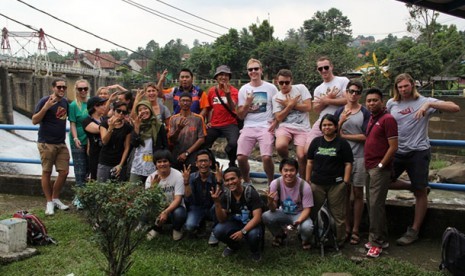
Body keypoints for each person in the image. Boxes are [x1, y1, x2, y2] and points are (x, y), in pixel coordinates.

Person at [387, 73, 460, 246]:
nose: (403, 90)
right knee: (384, 181)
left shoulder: (425, 101)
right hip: (398, 151)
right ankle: (415, 186)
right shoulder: (392, 103)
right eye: (400, 87)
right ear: (396, 88)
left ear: (412, 85)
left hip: (418, 151)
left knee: (420, 193)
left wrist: (429, 104)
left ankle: (414, 231)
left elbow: (455, 107)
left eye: (406, 86)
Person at [306, 114, 353, 246]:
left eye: (330, 125)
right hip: (317, 184)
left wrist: (345, 181)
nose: (327, 127)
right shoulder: (316, 142)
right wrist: (308, 180)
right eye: (324, 125)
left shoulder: (342, 143)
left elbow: (348, 163)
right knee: (314, 212)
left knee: (338, 214)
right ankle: (316, 237)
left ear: (336, 127)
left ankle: (339, 240)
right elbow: (310, 162)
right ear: (321, 127)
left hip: (336, 184)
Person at [333, 79, 370, 245]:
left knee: (358, 193)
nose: (354, 94)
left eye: (357, 92)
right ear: (346, 92)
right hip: (343, 159)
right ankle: (346, 227)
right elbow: (332, 132)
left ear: (360, 94)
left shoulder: (365, 112)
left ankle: (356, 228)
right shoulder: (339, 111)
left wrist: (345, 136)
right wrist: (340, 121)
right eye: (351, 91)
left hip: (360, 157)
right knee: (345, 193)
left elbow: (366, 136)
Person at [363, 87, 398, 258]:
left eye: (375, 100)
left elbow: (393, 146)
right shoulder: (372, 118)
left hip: (378, 169)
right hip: (369, 167)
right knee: (372, 204)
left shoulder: (388, 119)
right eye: (369, 101)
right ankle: (380, 238)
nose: (371, 103)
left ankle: (376, 243)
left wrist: (381, 165)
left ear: (382, 101)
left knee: (376, 205)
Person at [32, 78, 70, 215]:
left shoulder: (65, 102)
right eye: (59, 87)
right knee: (47, 172)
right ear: (53, 87)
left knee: (64, 172)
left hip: (61, 143)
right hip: (46, 143)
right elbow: (34, 120)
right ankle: (49, 202)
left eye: (64, 87)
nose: (61, 89)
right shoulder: (44, 101)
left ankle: (55, 198)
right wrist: (45, 108)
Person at [236, 58, 278, 184]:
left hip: (266, 126)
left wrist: (276, 123)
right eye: (250, 69)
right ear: (247, 72)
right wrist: (248, 103)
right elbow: (241, 116)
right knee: (241, 157)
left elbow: (277, 108)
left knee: (266, 157)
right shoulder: (243, 89)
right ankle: (247, 181)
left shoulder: (271, 88)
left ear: (261, 70)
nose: (253, 71)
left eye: (256, 69)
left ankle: (271, 182)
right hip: (249, 126)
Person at [211, 167, 263, 262]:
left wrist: (242, 232)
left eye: (233, 179)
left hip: (252, 224)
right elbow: (222, 219)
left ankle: (255, 251)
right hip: (235, 223)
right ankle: (233, 246)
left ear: (240, 178)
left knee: (253, 235)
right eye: (227, 180)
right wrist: (217, 203)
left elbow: (257, 217)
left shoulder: (251, 192)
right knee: (218, 230)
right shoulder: (226, 195)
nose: (230, 182)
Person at [262, 158, 314, 250]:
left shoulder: (304, 186)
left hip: (299, 213)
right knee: (266, 216)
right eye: (285, 170)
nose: (288, 174)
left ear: (297, 171)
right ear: (281, 171)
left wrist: (299, 220)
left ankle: (304, 239)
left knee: (307, 227)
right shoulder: (275, 183)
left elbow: (307, 209)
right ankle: (280, 235)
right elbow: (273, 209)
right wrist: (270, 202)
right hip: (283, 212)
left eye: (292, 170)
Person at [272, 69, 312, 179]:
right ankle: (290, 163)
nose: (284, 85)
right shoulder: (276, 97)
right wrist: (289, 106)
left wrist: (292, 105)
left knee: (302, 155)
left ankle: (303, 181)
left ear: (291, 81)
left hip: (302, 126)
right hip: (285, 126)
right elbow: (279, 117)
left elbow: (308, 107)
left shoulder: (301, 89)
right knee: (280, 146)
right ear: (277, 82)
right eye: (281, 83)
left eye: (287, 82)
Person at [145, 150, 187, 241]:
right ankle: (157, 228)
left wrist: (166, 212)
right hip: (158, 207)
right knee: (147, 209)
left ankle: (177, 229)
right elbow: (148, 200)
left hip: (174, 207)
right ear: (155, 164)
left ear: (170, 163)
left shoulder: (178, 175)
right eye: (159, 162)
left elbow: (178, 199)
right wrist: (153, 187)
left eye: (165, 161)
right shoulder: (151, 178)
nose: (162, 164)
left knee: (179, 213)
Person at [203, 65, 240, 168]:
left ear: (229, 77)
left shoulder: (234, 91)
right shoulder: (211, 91)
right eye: (221, 75)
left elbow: (233, 107)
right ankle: (213, 164)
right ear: (216, 77)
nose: (223, 77)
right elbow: (209, 108)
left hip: (230, 123)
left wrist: (227, 94)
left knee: (233, 144)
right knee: (203, 144)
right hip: (215, 124)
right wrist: (207, 122)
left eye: (226, 75)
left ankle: (232, 162)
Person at [183, 150, 221, 245]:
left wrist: (219, 182)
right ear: (196, 164)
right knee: (189, 226)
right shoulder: (191, 177)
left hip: (212, 207)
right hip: (197, 207)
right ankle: (200, 224)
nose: (203, 164)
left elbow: (222, 198)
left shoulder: (216, 176)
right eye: (200, 161)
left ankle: (215, 231)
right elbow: (188, 199)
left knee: (217, 206)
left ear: (210, 162)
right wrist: (186, 183)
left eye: (205, 161)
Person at [308, 56, 349, 146]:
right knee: (307, 149)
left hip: (340, 119)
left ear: (331, 67)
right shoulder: (318, 89)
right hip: (322, 120)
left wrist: (327, 100)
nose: (323, 70)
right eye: (320, 68)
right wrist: (327, 100)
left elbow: (348, 100)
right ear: (317, 70)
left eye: (326, 67)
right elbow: (316, 109)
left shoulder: (343, 81)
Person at [129, 100, 168, 184]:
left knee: (153, 189)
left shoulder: (159, 126)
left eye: (145, 108)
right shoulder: (137, 125)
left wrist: (163, 162)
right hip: (139, 163)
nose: (143, 111)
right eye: (140, 110)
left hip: (154, 164)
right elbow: (134, 144)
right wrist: (137, 128)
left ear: (150, 109)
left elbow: (165, 145)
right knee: (132, 190)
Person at [168, 92, 207, 171]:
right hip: (177, 152)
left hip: (192, 153)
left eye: (187, 101)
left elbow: (201, 139)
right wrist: (178, 130)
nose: (185, 103)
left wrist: (187, 153)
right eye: (183, 101)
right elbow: (171, 139)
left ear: (191, 103)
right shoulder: (173, 119)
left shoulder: (198, 118)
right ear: (179, 103)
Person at [97, 102, 133, 182]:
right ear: (114, 110)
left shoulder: (127, 127)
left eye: (124, 112)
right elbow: (104, 141)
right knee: (101, 188)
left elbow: (126, 147)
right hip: (105, 161)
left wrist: (120, 165)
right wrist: (110, 128)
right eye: (118, 111)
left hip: (119, 162)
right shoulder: (104, 123)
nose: (121, 113)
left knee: (119, 190)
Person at [68, 79, 90, 191]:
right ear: (76, 90)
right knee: (79, 169)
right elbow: (72, 123)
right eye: (80, 89)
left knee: (89, 168)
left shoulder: (91, 103)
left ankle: (88, 194)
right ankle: (80, 196)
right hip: (78, 141)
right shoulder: (73, 105)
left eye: (85, 89)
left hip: (90, 140)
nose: (83, 91)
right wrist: (75, 138)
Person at [82, 96, 107, 181]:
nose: (105, 107)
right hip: (95, 155)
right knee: (95, 178)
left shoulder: (104, 119)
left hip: (107, 154)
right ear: (95, 107)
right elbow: (98, 129)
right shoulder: (87, 121)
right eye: (102, 105)